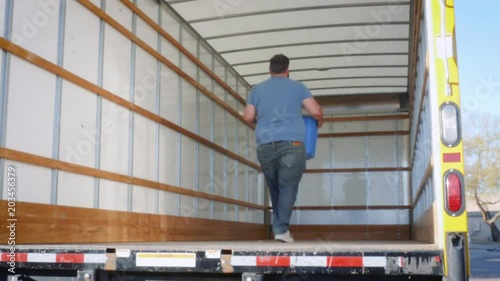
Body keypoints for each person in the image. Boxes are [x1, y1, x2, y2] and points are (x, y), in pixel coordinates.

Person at [243, 54, 323, 242]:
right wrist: (320, 120)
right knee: (287, 186)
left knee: (275, 187)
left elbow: (247, 117)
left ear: (269, 70)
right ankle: (280, 230)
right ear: (288, 70)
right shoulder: (298, 87)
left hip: (265, 145)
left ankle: (280, 229)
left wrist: (261, 120)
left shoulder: (257, 89)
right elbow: (316, 111)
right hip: (291, 145)